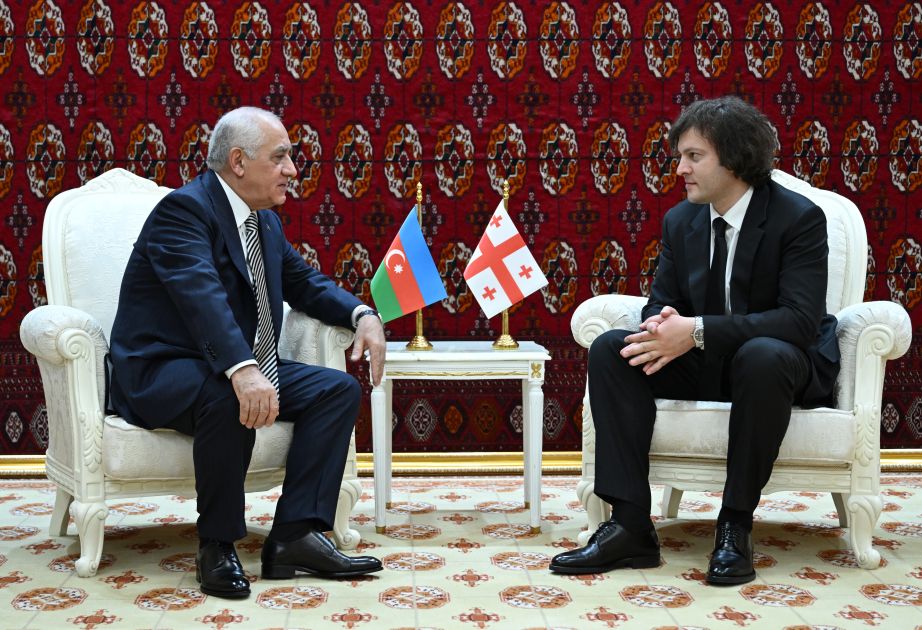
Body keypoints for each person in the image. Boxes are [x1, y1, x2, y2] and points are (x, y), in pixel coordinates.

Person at [549, 96, 839, 585]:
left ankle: (734, 526)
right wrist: (661, 325)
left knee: (762, 355)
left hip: (779, 367)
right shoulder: (682, 221)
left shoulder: (798, 218)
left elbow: (798, 321)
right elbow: (660, 303)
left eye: (694, 156)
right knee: (614, 350)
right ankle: (630, 526)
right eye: (680, 156)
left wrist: (698, 330)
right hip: (711, 363)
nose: (680, 168)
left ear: (735, 159)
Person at [108, 106, 387, 599]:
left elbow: (305, 283)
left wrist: (362, 314)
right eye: (280, 157)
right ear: (238, 161)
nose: (292, 170)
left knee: (336, 390)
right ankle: (216, 544)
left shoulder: (264, 223)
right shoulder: (185, 211)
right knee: (226, 394)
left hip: (229, 366)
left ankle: (296, 535)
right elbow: (202, 297)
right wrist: (242, 369)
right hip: (163, 369)